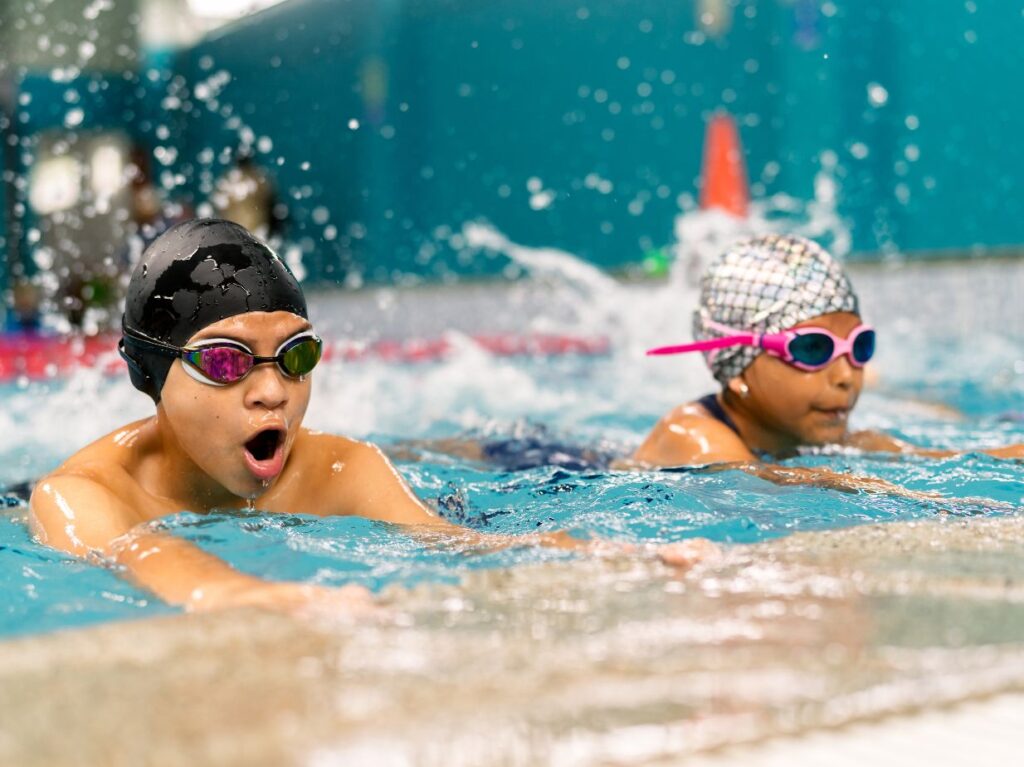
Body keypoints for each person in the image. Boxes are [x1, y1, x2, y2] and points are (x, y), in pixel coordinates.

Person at [29, 219, 711, 616]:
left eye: (295, 357)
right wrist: (272, 600)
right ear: (149, 373)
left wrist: (613, 556)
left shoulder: (336, 467)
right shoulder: (77, 495)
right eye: (227, 362)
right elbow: (151, 556)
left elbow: (455, 542)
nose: (272, 393)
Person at [630, 234, 1022, 489]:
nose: (846, 376)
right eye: (814, 349)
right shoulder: (692, 436)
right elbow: (777, 482)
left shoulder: (813, 431)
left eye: (859, 346)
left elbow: (939, 460)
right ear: (736, 365)